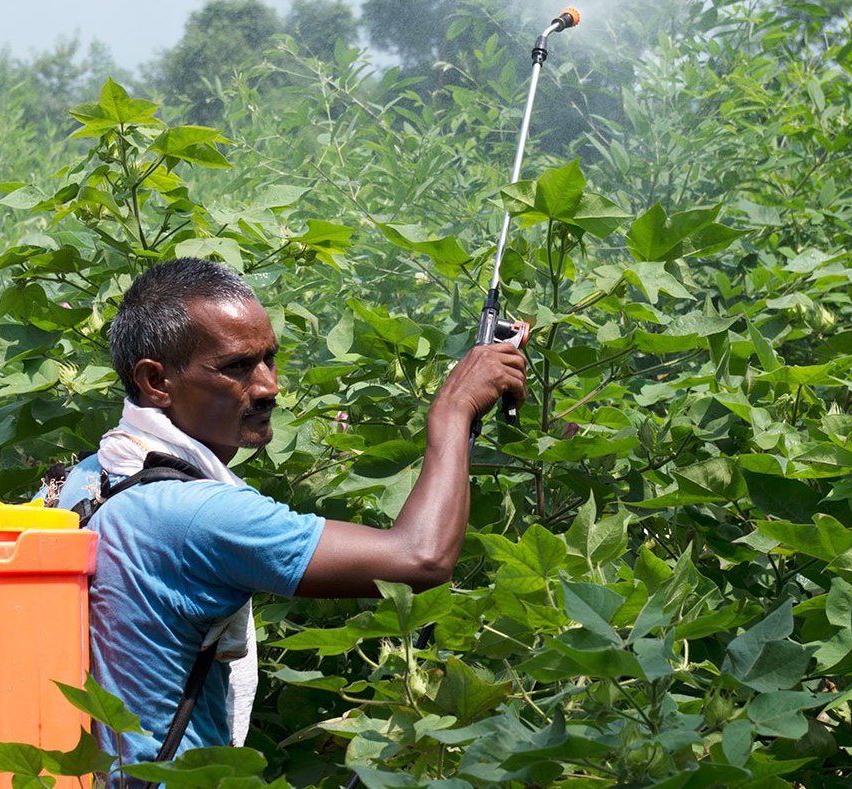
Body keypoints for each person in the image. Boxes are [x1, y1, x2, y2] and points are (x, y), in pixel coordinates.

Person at [41, 257, 526, 768]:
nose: (269, 385)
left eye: (270, 358)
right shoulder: (196, 514)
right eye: (237, 367)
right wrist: (453, 411)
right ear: (155, 381)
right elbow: (422, 559)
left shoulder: (91, 476)